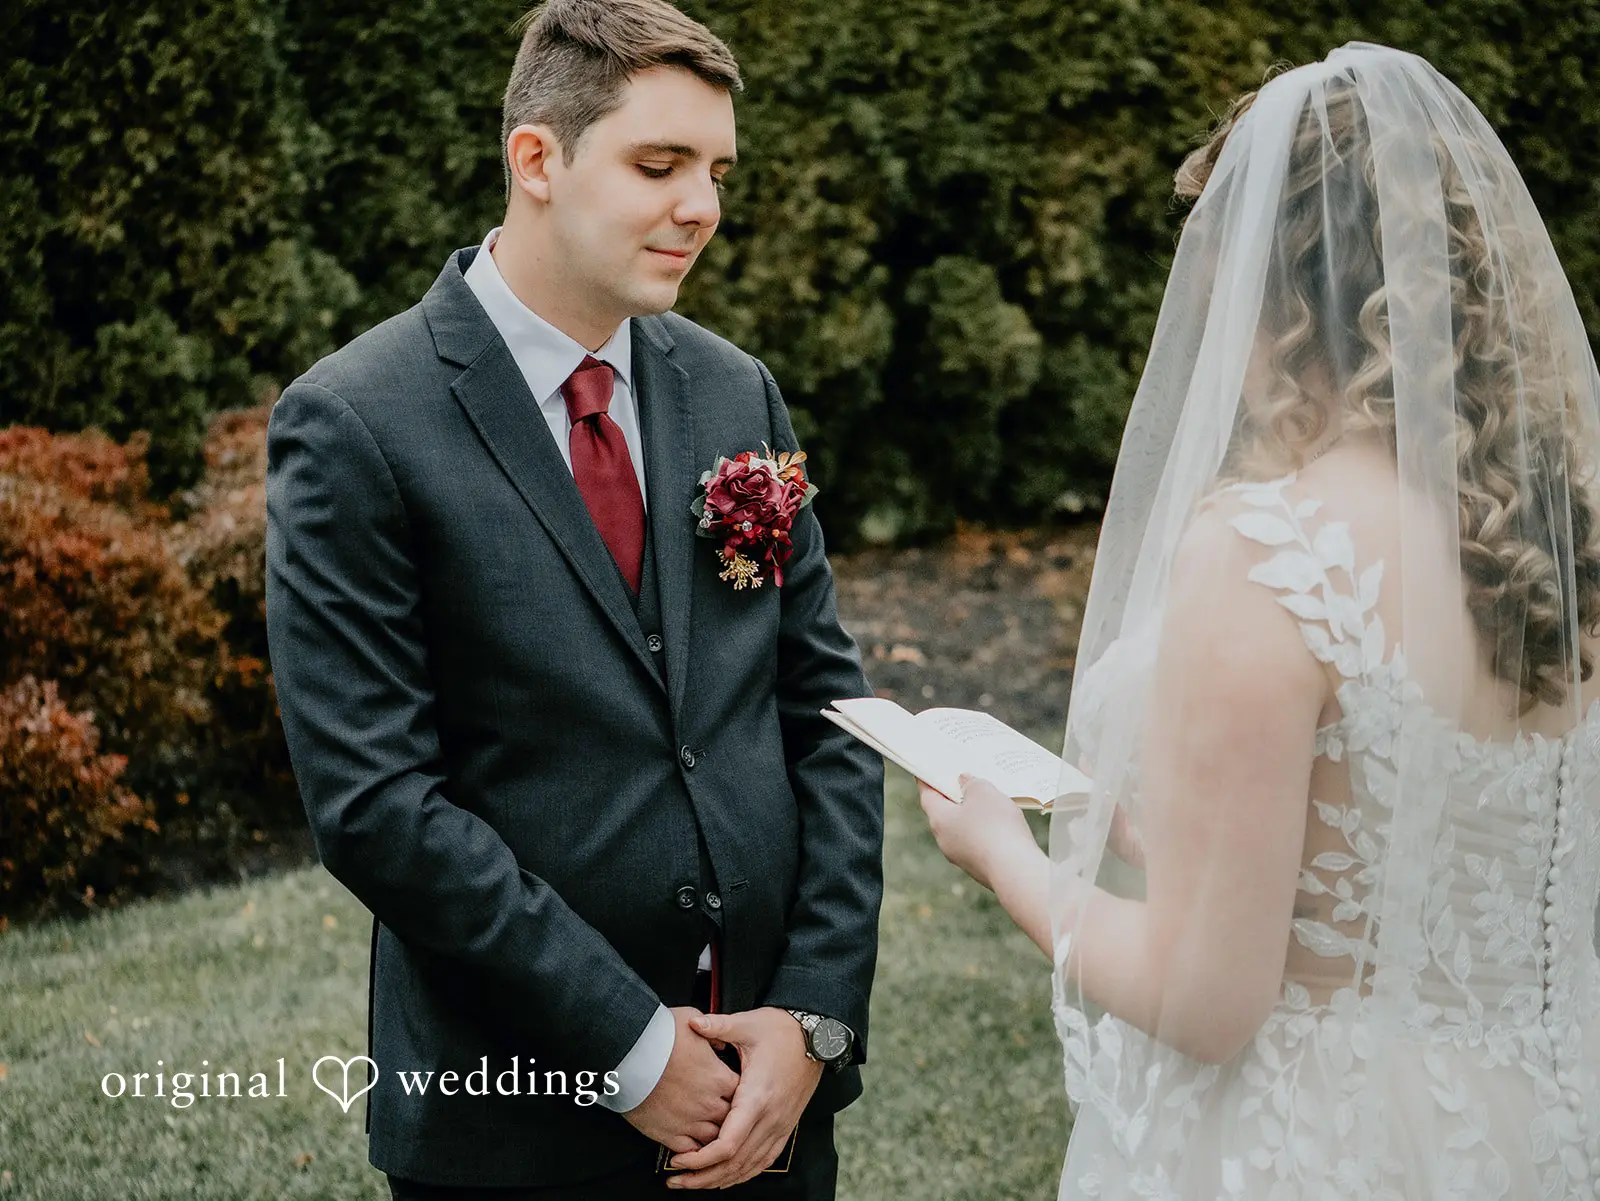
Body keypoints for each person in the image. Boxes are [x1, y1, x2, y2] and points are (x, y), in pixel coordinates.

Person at [918, 42, 1600, 1199]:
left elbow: (1205, 1000)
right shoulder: (1560, 539)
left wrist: (1001, 858)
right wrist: (1165, 840)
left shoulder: (1268, 552)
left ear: (1279, 304)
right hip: (1534, 1130)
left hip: (1311, 1152)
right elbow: (1417, 849)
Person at [263, 2, 884, 1197]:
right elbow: (377, 802)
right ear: (535, 159)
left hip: (771, 1100)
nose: (700, 204)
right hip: (515, 1112)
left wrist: (811, 1019)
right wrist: (630, 1047)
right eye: (659, 165)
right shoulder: (355, 422)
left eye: (715, 170)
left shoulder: (732, 390)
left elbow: (830, 714)